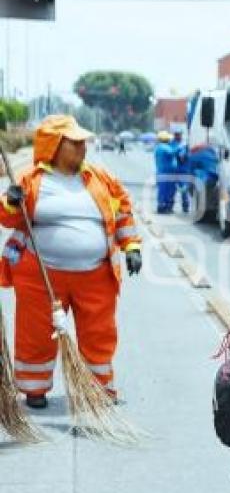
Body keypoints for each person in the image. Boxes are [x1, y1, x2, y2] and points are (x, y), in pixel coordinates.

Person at [0, 115, 143, 408]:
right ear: (54, 146)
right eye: (74, 143)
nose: (82, 148)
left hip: (95, 276)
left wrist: (131, 246)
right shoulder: (30, 180)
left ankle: (98, 389)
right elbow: (8, 218)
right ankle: (34, 388)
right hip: (40, 276)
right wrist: (11, 201)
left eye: (83, 143)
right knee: (35, 333)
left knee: (99, 333)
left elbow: (123, 211)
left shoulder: (101, 179)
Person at [153, 130, 177, 213]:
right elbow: (172, 153)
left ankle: (163, 206)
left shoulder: (158, 147)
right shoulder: (164, 147)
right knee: (167, 190)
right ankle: (164, 207)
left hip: (162, 172)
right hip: (166, 172)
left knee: (163, 190)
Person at [170, 129, 190, 213]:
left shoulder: (184, 145)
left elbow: (183, 157)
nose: (177, 136)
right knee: (172, 189)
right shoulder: (171, 143)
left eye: (179, 134)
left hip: (183, 171)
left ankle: (185, 206)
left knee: (184, 190)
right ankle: (170, 206)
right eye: (176, 134)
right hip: (173, 170)